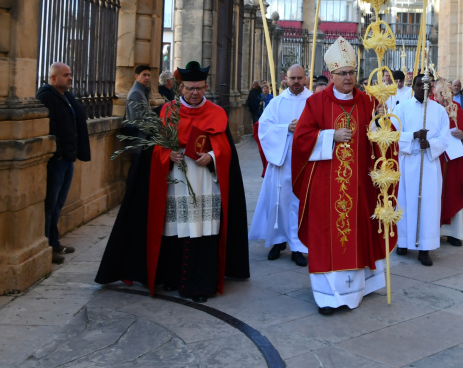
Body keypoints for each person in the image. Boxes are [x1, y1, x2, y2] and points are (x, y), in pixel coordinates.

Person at [95, 61, 250, 303]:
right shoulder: (166, 112)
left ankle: (199, 284)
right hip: (176, 179)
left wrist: (212, 156)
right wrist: (168, 154)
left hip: (204, 181)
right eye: (189, 88)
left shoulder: (217, 113)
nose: (194, 92)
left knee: (201, 230)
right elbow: (152, 151)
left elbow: (226, 150)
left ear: (205, 87)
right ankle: (172, 276)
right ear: (181, 88)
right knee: (174, 229)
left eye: (199, 88)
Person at [291, 38, 396, 315]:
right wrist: (329, 136)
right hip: (326, 187)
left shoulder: (369, 102)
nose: (348, 77)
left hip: (360, 185)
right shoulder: (315, 103)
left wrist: (382, 122)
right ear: (331, 75)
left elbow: (382, 143)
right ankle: (327, 297)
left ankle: (356, 291)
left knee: (358, 234)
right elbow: (301, 140)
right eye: (342, 73)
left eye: (351, 72)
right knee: (327, 237)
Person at [249, 64, 310, 267]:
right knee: (278, 202)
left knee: (297, 204)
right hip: (281, 159)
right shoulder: (276, 102)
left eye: (300, 78)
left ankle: (298, 247)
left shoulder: (313, 101)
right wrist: (286, 128)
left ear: (305, 79)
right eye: (292, 78)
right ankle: (277, 241)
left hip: (304, 161)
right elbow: (263, 129)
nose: (296, 82)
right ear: (286, 79)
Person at [36, 62, 91, 264]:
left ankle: (55, 241)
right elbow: (48, 127)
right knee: (50, 205)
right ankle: (47, 247)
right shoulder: (45, 97)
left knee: (58, 204)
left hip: (68, 158)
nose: (70, 78)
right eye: (66, 75)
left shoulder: (66, 96)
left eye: (70, 74)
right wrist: (58, 152)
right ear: (53, 78)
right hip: (58, 160)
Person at [392, 74, 450, 266]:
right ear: (413, 87)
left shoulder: (439, 111)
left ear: (432, 88)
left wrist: (430, 144)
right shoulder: (401, 108)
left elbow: (444, 138)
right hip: (408, 162)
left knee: (428, 207)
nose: (422, 89)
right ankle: (403, 242)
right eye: (418, 85)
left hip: (429, 164)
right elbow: (393, 135)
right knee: (405, 204)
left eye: (427, 86)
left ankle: (425, 247)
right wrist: (413, 136)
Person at [434, 79, 463, 247]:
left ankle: (454, 234)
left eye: (448, 94)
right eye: (441, 94)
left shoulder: (461, 113)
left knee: (453, 192)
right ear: (435, 95)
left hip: (456, 163)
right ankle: (434, 233)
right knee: (436, 195)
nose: (445, 98)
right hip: (437, 162)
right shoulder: (431, 113)